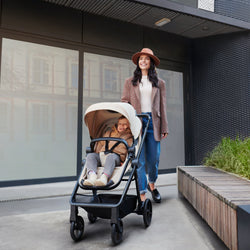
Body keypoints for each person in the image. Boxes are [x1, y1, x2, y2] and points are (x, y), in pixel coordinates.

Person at [121, 48, 168, 203]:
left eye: (146, 59)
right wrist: (126, 122)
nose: (143, 61)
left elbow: (162, 106)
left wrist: (164, 127)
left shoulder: (160, 83)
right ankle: (142, 195)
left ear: (151, 62)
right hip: (137, 122)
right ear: (138, 62)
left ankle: (152, 185)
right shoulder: (130, 82)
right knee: (139, 162)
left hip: (153, 123)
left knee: (154, 159)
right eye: (141, 58)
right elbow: (125, 102)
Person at [83, 116, 133, 186]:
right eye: (120, 124)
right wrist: (98, 152)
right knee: (91, 156)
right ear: (117, 124)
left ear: (129, 126)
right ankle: (92, 176)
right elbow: (100, 145)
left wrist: (124, 161)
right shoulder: (109, 133)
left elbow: (127, 151)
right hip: (102, 155)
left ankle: (104, 177)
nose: (122, 126)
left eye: (125, 124)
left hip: (115, 158)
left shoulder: (129, 137)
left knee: (111, 157)